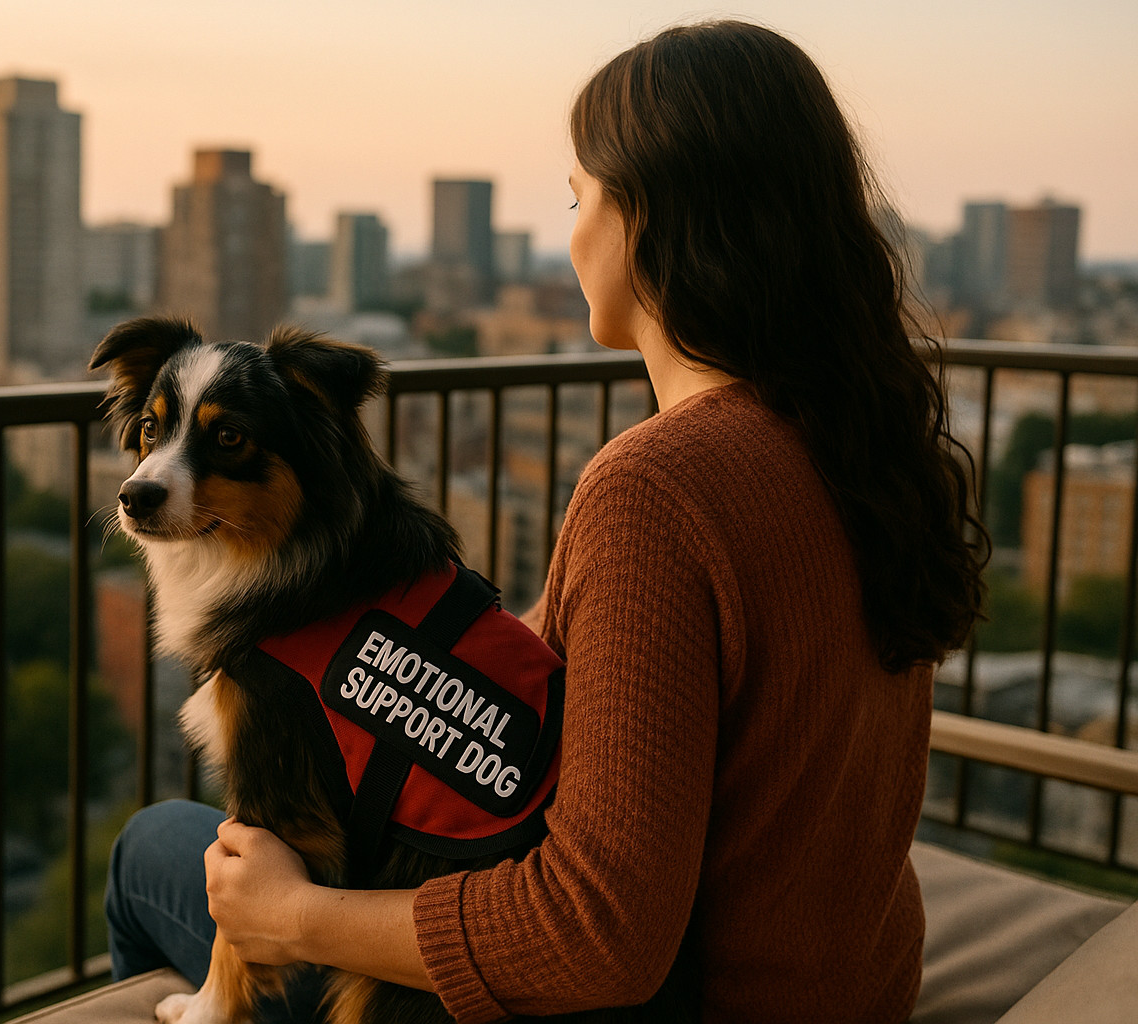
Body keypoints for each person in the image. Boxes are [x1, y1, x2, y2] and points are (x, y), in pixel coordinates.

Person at [105, 19, 987, 1023]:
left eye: (579, 198)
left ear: (649, 219)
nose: (572, 235)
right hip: (855, 989)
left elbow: (595, 938)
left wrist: (296, 915)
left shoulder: (658, 489)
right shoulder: (852, 443)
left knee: (154, 851)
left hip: (686, 1001)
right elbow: (603, 691)